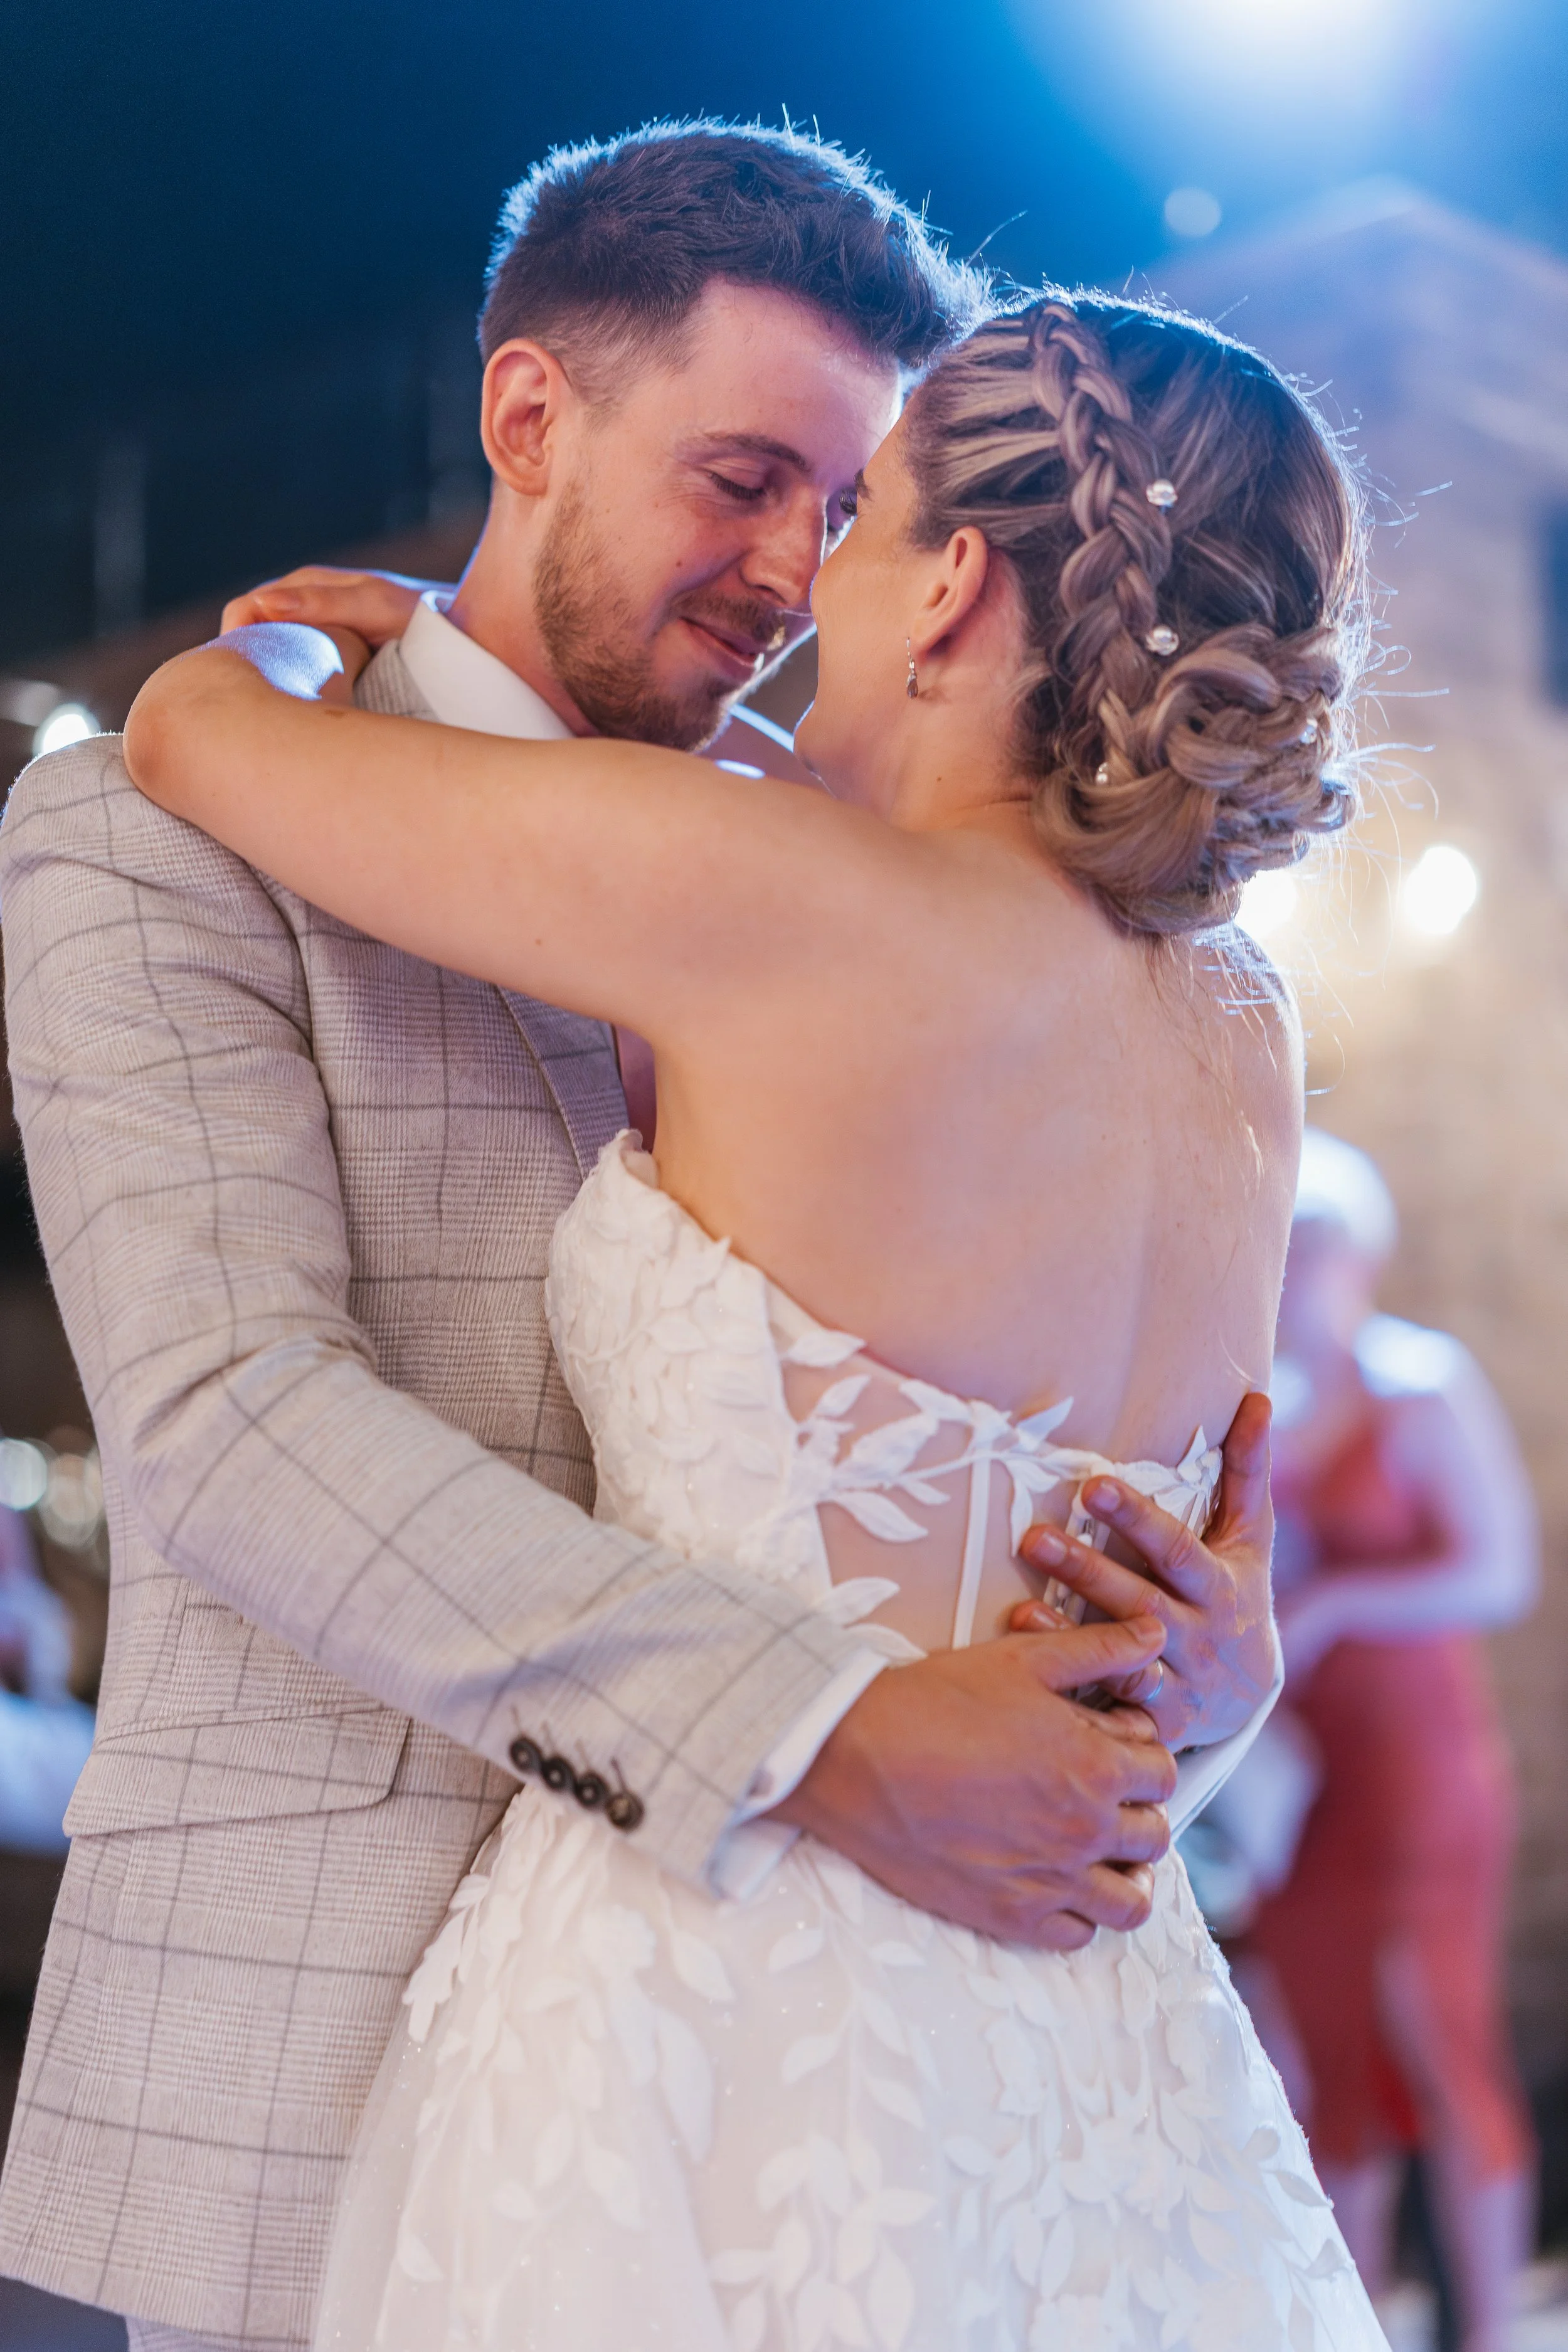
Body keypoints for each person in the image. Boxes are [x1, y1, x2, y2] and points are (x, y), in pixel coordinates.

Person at [0, 124, 1278, 2352]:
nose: (795, 568)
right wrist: (835, 1732)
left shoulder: (840, 878)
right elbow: (223, 1425)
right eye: (743, 475)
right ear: (529, 421)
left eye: (846, 501)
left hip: (818, 2090)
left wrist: (1192, 1671)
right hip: (295, 2093)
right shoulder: (147, 831)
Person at [1238, 1131, 1537, 2352]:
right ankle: (1351, 2323)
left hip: (1415, 1769)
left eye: (1316, 1240)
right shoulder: (1262, 1401)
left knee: (1432, 2032)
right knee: (1324, 2049)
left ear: (1359, 1253)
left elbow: (1499, 1572)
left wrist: (1338, 1601)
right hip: (1302, 1780)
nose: (1297, 1262)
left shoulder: (1417, 1384)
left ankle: (1486, 2329)